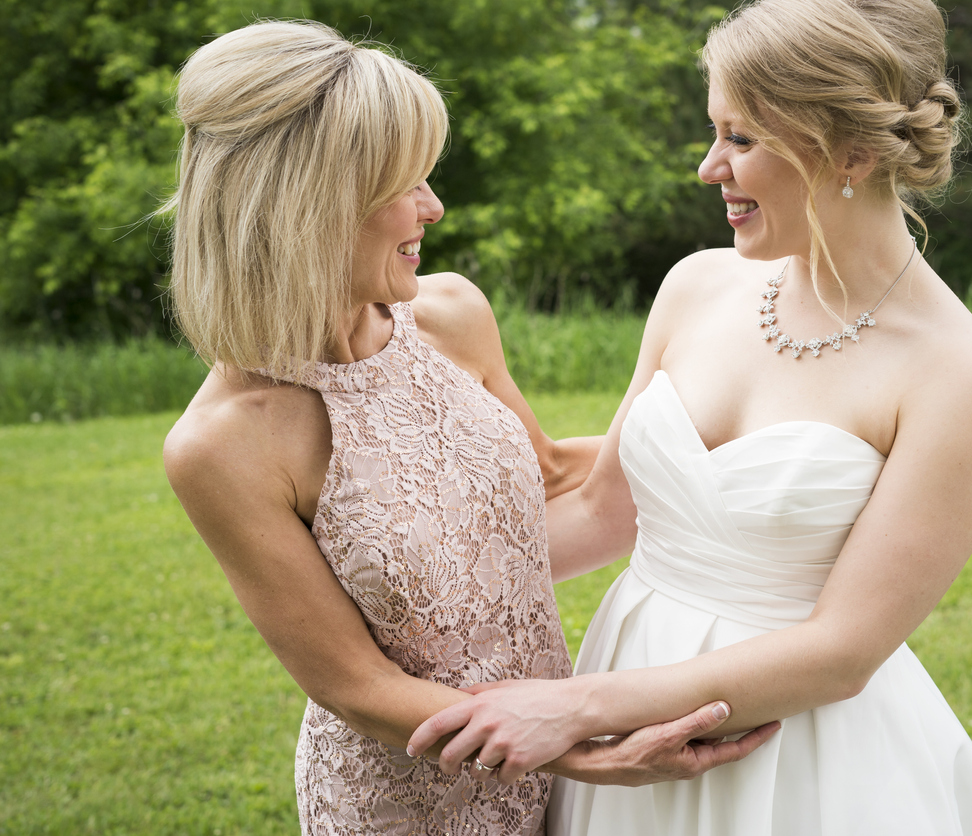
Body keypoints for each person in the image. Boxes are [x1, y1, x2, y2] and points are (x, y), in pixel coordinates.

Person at [406, 0, 972, 833]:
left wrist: (577, 707)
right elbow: (600, 511)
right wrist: (400, 598)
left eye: (741, 139)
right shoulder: (696, 285)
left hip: (797, 751)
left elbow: (842, 653)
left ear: (849, 149)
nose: (708, 167)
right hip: (624, 690)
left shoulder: (959, 373)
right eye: (714, 133)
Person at [161, 20, 776, 836]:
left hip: (551, 765)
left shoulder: (449, 313)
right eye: (404, 185)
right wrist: (572, 745)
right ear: (304, 207)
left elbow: (555, 475)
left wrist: (763, 443)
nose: (434, 207)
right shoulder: (222, 445)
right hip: (406, 801)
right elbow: (354, 688)